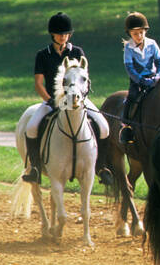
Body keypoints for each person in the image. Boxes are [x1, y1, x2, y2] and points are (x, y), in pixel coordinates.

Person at [23, 12, 107, 183]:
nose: (63, 37)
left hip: (77, 99)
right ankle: (35, 168)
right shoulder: (43, 55)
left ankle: (101, 167)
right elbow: (39, 83)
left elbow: (84, 80)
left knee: (104, 126)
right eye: (60, 34)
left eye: (66, 34)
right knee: (31, 127)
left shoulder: (77, 52)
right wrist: (51, 100)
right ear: (52, 34)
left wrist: (81, 98)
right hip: (53, 100)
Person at [119, 12, 160, 145]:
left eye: (141, 32)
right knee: (131, 97)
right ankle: (126, 127)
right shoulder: (128, 47)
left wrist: (158, 76)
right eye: (135, 34)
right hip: (137, 79)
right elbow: (129, 67)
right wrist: (139, 80)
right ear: (130, 34)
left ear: (145, 31)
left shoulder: (152, 44)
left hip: (154, 77)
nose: (139, 36)